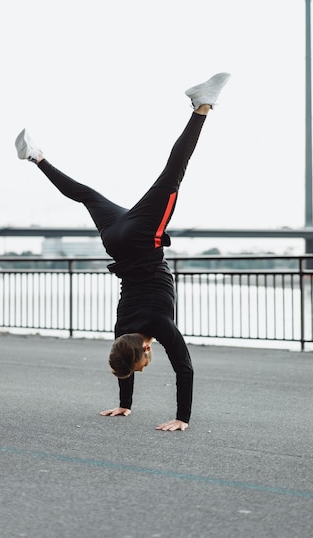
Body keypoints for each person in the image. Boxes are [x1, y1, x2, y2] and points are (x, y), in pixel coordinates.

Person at [15, 72, 231, 431]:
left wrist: (182, 418)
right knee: (88, 195)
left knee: (173, 174)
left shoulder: (157, 327)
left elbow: (184, 368)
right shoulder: (121, 330)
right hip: (116, 239)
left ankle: (201, 106)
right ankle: (35, 157)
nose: (144, 365)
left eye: (142, 364)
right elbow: (124, 357)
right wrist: (123, 405)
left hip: (143, 240)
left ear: (146, 351)